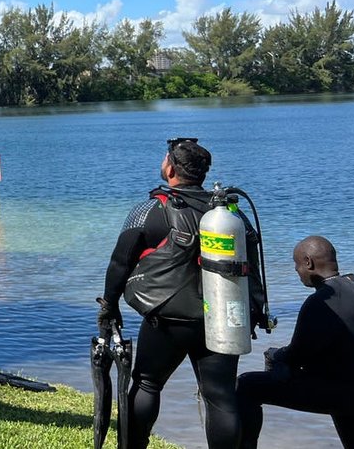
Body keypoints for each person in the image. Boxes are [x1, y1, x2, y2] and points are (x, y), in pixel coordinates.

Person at [99, 138, 267, 449]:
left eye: (165, 160)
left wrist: (109, 305)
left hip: (168, 318)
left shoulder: (151, 209)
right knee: (220, 396)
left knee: (148, 383)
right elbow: (253, 267)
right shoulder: (230, 214)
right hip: (221, 317)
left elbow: (120, 262)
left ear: (171, 169)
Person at [237, 236, 354, 448]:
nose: (297, 271)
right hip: (349, 385)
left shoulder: (319, 303)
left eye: (297, 265)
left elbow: (296, 356)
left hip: (341, 392)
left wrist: (274, 355)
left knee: (246, 385)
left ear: (308, 263)